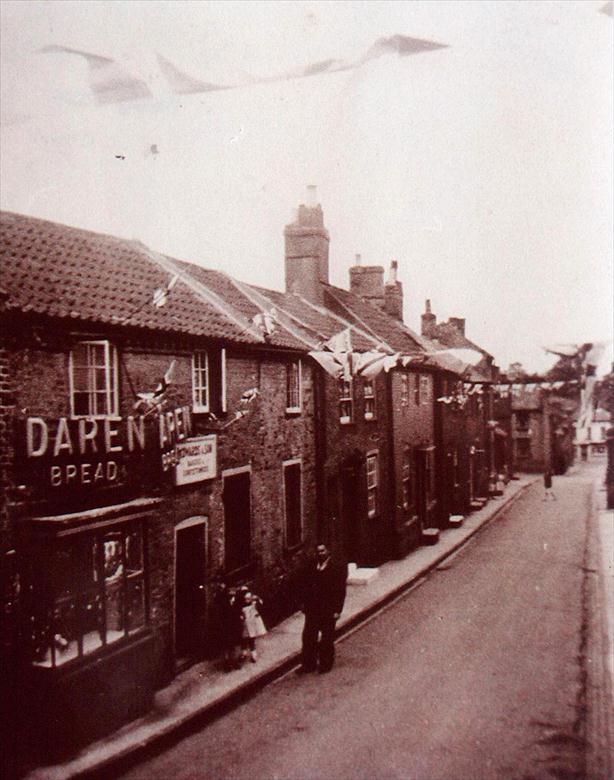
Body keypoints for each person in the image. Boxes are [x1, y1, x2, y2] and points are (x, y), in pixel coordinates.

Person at [296, 543, 347, 674]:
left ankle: (326, 664)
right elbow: (305, 586)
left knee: (327, 638)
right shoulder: (312, 566)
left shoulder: (336, 568)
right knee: (308, 637)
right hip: (313, 609)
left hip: (328, 609)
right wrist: (304, 604)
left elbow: (340, 591)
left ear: (328, 551)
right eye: (318, 551)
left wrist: (337, 610)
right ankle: (308, 664)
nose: (320, 554)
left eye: (322, 551)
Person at [214, 582, 243, 671]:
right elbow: (220, 613)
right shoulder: (223, 600)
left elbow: (238, 609)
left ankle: (233, 662)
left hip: (233, 625)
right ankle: (227, 664)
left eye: (234, 590)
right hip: (225, 625)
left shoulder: (236, 599)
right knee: (226, 645)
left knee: (232, 645)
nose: (232, 591)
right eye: (230, 590)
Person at [238, 588, 267, 662]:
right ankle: (244, 653)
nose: (247, 600)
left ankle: (253, 655)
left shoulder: (254, 602)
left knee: (251, 638)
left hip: (251, 622)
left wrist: (257, 601)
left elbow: (260, 607)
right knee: (244, 638)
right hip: (246, 622)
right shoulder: (241, 604)